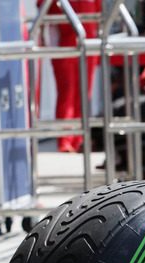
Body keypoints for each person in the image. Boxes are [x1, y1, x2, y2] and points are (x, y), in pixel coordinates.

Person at [38, 0, 102, 153]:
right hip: (65, 43)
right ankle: (65, 140)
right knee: (67, 92)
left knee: (84, 93)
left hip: (88, 43)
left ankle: (79, 139)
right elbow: (42, 8)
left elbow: (98, 15)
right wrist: (42, 36)